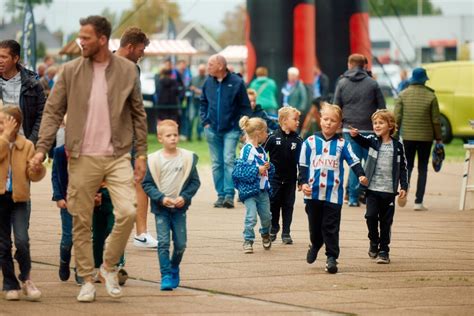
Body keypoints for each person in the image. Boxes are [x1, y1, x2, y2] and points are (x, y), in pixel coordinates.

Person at [30, 15, 148, 302]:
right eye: (79, 36)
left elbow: (138, 113)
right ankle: (86, 278)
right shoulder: (70, 72)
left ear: (103, 40)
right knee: (81, 220)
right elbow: (53, 112)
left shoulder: (127, 71)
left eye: (85, 37)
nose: (80, 42)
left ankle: (108, 265)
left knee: (129, 212)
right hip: (82, 156)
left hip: (117, 154)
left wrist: (141, 152)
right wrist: (42, 148)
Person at [299, 103, 367, 274]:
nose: (329, 123)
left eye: (333, 120)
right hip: (313, 194)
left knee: (330, 226)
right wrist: (303, 183)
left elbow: (354, 161)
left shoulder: (343, 144)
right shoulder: (310, 142)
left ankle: (331, 257)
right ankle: (315, 244)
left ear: (339, 125)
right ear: (320, 120)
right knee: (315, 227)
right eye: (326, 119)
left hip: (333, 195)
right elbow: (303, 164)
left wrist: (360, 174)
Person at [142, 120, 200, 290]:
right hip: (161, 209)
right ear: (160, 138)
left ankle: (174, 266)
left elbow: (194, 182)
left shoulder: (187, 158)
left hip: (179, 208)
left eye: (175, 135)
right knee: (163, 243)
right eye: (169, 136)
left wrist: (185, 196)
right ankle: (165, 275)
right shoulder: (153, 160)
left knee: (181, 244)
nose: (173, 138)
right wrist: (160, 198)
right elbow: (147, 184)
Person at [114, 26, 157, 249]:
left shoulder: (136, 69)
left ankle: (141, 234)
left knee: (141, 179)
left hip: (130, 134)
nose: (142, 53)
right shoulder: (104, 64)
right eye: (140, 49)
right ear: (130, 47)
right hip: (106, 136)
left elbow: (137, 105)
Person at [349, 109, 408, 264]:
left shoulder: (398, 146)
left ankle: (384, 250)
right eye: (375, 123)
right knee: (370, 216)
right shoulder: (372, 141)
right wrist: (354, 135)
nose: (376, 125)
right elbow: (362, 140)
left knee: (386, 222)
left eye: (380, 122)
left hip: (389, 191)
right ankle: (373, 241)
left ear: (390, 126)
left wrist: (404, 186)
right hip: (373, 189)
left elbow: (403, 168)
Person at [0, 107, 45, 301]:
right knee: (3, 245)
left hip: (19, 199)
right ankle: (10, 283)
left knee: (22, 241)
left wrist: (36, 168)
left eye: (3, 122)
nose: (0, 125)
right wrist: (4, 138)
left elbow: (33, 176)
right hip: (0, 198)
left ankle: (26, 278)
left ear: (15, 124)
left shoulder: (26, 145)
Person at [333, 53, 386, 207]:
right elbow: (382, 108)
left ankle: (353, 199)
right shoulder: (373, 83)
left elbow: (336, 107)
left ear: (350, 64)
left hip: (350, 129)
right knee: (371, 164)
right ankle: (370, 197)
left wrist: (340, 125)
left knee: (354, 163)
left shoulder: (342, 83)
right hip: (370, 129)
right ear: (364, 66)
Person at [200, 54, 252, 209]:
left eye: (211, 64)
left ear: (220, 66)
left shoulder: (237, 82)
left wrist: (241, 127)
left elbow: (245, 106)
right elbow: (203, 102)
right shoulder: (208, 82)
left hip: (231, 129)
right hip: (212, 129)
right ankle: (220, 195)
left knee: (229, 160)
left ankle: (229, 195)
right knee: (217, 163)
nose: (208, 67)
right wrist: (205, 121)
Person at [394, 67, 442, 211]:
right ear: (424, 80)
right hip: (426, 138)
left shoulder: (402, 95)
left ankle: (403, 192)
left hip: (407, 137)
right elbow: (436, 120)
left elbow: (397, 118)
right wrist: (438, 138)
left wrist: (395, 137)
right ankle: (418, 202)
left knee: (407, 167)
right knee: (423, 169)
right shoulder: (431, 96)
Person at [233, 116, 274, 254]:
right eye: (265, 132)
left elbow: (266, 169)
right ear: (258, 133)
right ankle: (248, 240)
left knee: (267, 217)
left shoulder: (261, 150)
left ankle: (265, 234)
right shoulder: (246, 150)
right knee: (251, 217)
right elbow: (239, 171)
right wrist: (257, 170)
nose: (267, 134)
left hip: (263, 190)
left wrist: (269, 167)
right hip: (250, 191)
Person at [263, 106, 302, 244]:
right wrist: (263, 166)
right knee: (274, 203)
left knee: (288, 205)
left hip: (290, 180)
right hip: (274, 178)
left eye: (298, 120)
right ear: (284, 121)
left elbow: (301, 161)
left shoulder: (298, 140)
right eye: (295, 119)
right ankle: (274, 226)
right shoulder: (272, 137)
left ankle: (286, 232)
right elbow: (262, 153)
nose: (298, 122)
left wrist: (301, 179)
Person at [0, 40, 45, 145]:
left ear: (16, 58)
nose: (0, 60)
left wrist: (31, 143)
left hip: (26, 143)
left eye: (4, 57)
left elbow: (42, 116)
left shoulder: (33, 85)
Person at [189, 64, 207, 141]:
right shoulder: (194, 78)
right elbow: (189, 87)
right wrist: (192, 88)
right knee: (191, 118)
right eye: (200, 70)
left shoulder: (207, 79)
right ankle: (189, 135)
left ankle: (199, 135)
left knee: (200, 120)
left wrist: (197, 90)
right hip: (193, 101)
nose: (201, 72)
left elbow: (207, 91)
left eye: (202, 71)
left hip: (202, 103)